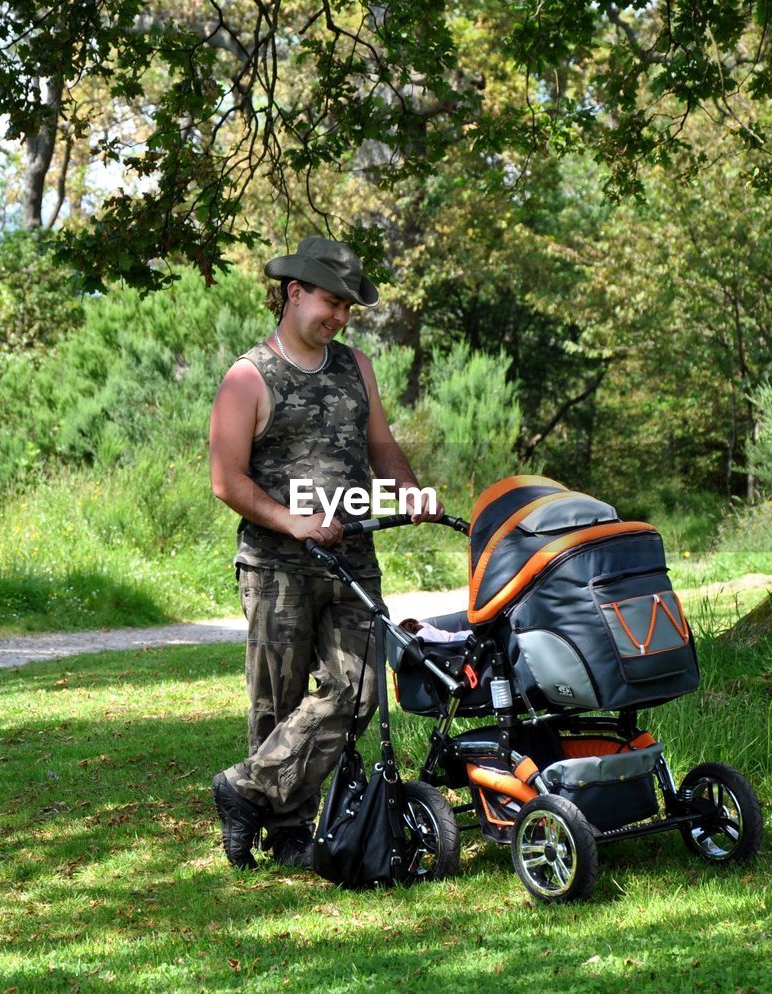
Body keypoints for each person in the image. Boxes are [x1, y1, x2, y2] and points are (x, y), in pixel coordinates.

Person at [208, 236, 439, 870]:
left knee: (360, 691)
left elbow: (381, 448)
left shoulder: (355, 366)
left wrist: (411, 492)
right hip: (276, 564)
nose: (339, 317)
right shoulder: (248, 377)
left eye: (347, 308)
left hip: (353, 560)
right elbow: (227, 481)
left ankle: (245, 790)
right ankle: (284, 835)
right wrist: (294, 523)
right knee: (276, 702)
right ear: (294, 292)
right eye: (331, 302)